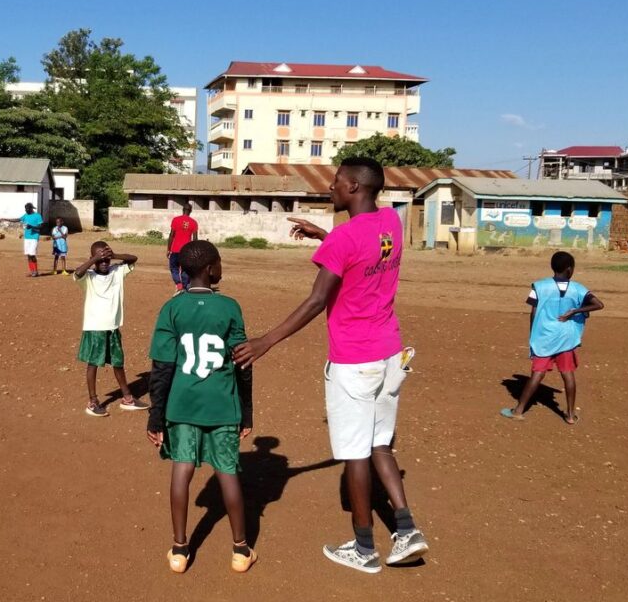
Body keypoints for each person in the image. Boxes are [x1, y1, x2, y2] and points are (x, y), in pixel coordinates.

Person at [232, 158, 429, 574]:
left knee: (356, 454)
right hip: (391, 353)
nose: (330, 187)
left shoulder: (344, 240)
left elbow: (317, 300)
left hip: (355, 361)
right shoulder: (391, 221)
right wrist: (324, 236)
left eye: (336, 181)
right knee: (380, 444)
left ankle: (364, 548)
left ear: (355, 186)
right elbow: (364, 249)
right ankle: (406, 528)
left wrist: (265, 341)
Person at [146, 240, 256, 574]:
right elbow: (243, 363)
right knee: (228, 473)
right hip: (222, 405)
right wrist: (246, 411)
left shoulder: (171, 309)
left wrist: (155, 417)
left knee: (182, 470)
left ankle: (179, 550)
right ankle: (240, 550)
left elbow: (162, 367)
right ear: (210, 269)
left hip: (181, 406)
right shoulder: (230, 307)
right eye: (219, 262)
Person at [501, 250, 603, 425]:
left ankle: (518, 411)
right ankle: (570, 415)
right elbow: (599, 305)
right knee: (568, 374)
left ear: (552, 267)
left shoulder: (539, 287)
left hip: (545, 338)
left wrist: (533, 335)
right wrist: (575, 311)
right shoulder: (579, 289)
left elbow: (533, 312)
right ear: (570, 269)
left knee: (537, 374)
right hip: (567, 339)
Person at [73, 241, 149, 417]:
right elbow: (77, 273)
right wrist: (94, 259)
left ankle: (128, 398)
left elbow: (133, 259)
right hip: (95, 328)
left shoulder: (117, 271)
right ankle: (92, 402)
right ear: (93, 259)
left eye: (106, 258)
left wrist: (114, 255)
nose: (104, 262)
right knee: (93, 364)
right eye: (101, 259)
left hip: (112, 327)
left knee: (118, 362)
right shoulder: (89, 277)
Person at [4, 202, 45, 277]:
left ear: (31, 208)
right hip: (27, 237)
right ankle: (32, 271)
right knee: (28, 255)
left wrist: (32, 227)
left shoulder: (37, 216)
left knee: (32, 254)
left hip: (34, 237)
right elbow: (18, 219)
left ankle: (36, 272)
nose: (26, 210)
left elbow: (41, 226)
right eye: (25, 209)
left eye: (27, 209)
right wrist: (6, 219)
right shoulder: (25, 215)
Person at [166, 203, 199, 291]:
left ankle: (178, 284)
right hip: (186, 251)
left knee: (174, 268)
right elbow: (195, 239)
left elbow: (171, 235)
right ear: (190, 211)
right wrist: (194, 252)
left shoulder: (175, 220)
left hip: (175, 250)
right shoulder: (194, 223)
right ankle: (184, 286)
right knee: (185, 270)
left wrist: (168, 249)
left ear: (183, 209)